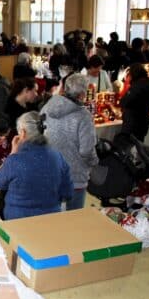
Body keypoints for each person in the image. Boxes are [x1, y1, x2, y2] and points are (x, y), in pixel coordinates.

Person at [0, 111, 73, 220]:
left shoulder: (15, 160)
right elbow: (68, 193)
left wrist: (12, 152)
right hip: (50, 220)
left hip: (18, 221)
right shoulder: (57, 156)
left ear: (22, 133)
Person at [41, 74, 99, 211]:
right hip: (74, 175)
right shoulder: (83, 116)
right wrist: (94, 162)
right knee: (74, 219)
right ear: (82, 94)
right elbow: (86, 150)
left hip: (49, 170)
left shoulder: (48, 106)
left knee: (50, 215)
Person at [120, 63, 149, 142]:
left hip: (131, 123)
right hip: (144, 119)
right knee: (139, 145)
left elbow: (125, 101)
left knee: (129, 148)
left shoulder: (137, 85)